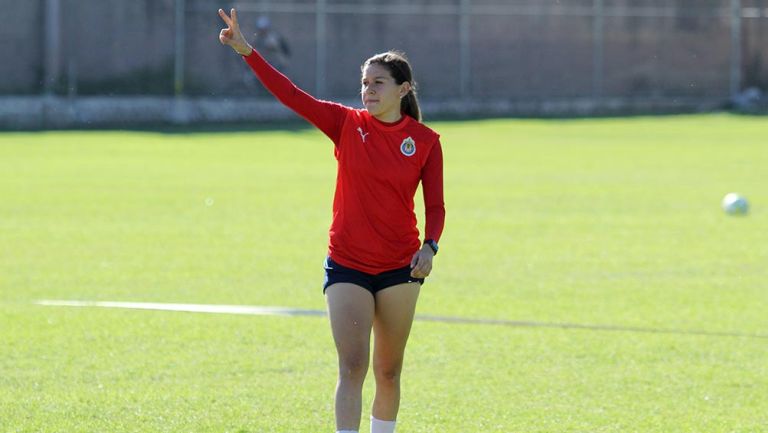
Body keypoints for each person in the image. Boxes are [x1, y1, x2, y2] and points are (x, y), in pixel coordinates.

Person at [218, 8, 445, 433]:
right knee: (353, 365)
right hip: (348, 264)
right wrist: (246, 51)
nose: (368, 90)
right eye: (364, 82)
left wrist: (429, 247)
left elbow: (436, 207)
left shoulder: (426, 142)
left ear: (404, 89)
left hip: (400, 266)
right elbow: (291, 94)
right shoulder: (345, 124)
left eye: (378, 82)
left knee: (389, 372)